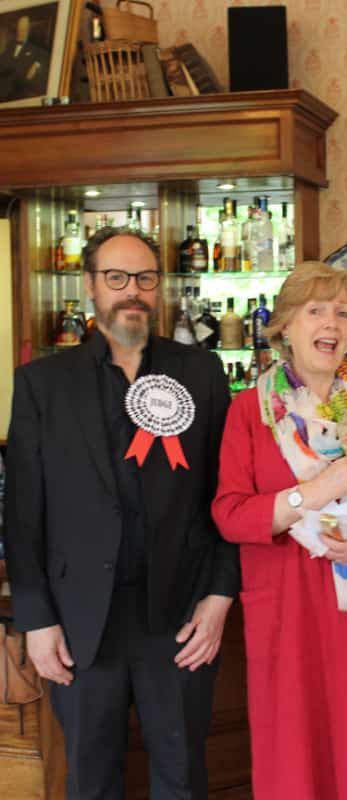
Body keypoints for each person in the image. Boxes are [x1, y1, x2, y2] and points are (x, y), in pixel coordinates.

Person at [5, 228, 239, 799]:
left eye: (145, 278)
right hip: (81, 622)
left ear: (159, 289)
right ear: (90, 287)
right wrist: (35, 618)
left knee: (182, 777)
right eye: (116, 278)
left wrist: (218, 598)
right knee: (89, 779)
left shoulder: (201, 372)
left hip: (180, 617)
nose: (131, 291)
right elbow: (23, 509)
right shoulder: (42, 383)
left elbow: (229, 492)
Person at [211, 261, 347, 800]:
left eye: (341, 312)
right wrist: (316, 490)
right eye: (314, 311)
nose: (330, 323)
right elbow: (231, 514)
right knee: (291, 747)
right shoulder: (249, 410)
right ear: (285, 325)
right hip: (286, 605)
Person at [0, 15, 50, 102]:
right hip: (4, 90)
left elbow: (45, 57)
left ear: (28, 30)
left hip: (21, 89)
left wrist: (36, 65)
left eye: (23, 30)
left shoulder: (35, 48)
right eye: (19, 30)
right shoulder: (10, 46)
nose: (21, 33)